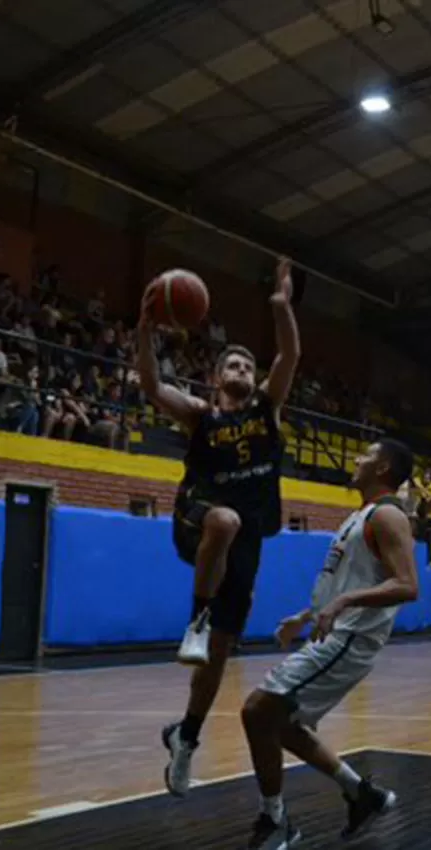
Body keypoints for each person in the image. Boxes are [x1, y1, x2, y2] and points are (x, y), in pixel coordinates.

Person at [136, 257, 300, 797]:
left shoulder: (266, 411)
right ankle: (197, 618)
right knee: (224, 520)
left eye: (248, 368)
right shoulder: (201, 416)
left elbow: (291, 354)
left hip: (243, 540)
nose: (242, 373)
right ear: (216, 377)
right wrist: (144, 326)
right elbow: (153, 384)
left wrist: (281, 309)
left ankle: (186, 735)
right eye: (232, 366)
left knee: (221, 653)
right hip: (198, 517)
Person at [237, 439, 418, 849]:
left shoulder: (389, 515)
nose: (356, 460)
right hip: (339, 633)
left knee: (256, 710)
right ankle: (361, 794)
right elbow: (349, 581)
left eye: (367, 455)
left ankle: (275, 821)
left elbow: (408, 586)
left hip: (352, 638)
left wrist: (343, 602)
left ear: (384, 467)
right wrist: (306, 614)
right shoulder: (362, 515)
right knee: (279, 722)